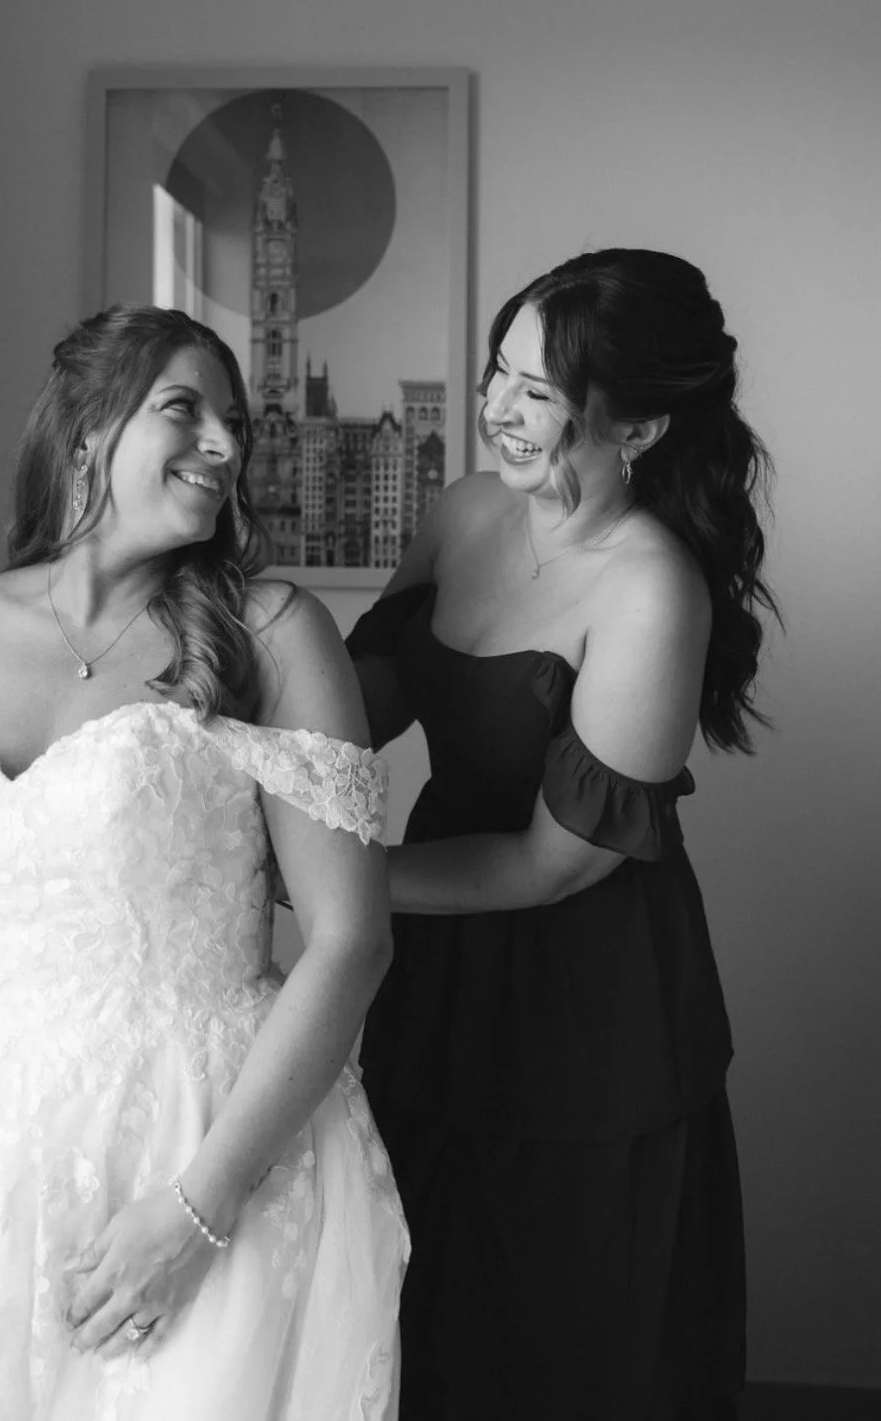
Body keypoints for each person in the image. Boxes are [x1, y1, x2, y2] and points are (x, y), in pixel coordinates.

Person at [0, 304, 408, 1421]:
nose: (224, 444)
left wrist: (195, 1212)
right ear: (90, 428)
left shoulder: (276, 633)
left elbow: (351, 942)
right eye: (183, 409)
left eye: (235, 424)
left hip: (202, 1150)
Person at [347, 248, 778, 1421]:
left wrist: (334, 886)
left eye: (535, 389)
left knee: (556, 1330)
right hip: (437, 960)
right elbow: (370, 703)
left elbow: (552, 863)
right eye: (498, 369)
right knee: (409, 1294)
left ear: (633, 425)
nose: (494, 406)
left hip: (585, 990)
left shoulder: (651, 588)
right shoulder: (465, 510)